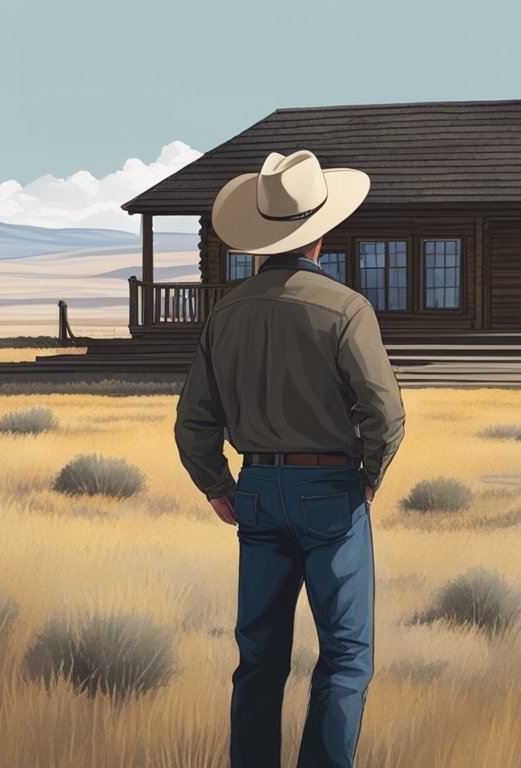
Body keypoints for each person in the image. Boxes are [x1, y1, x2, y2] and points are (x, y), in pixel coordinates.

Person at [174, 149, 406, 768]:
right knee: (347, 655)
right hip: (331, 488)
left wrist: (216, 485)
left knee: (259, 656)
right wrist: (368, 480)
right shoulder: (346, 309)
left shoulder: (226, 312)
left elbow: (194, 420)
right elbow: (384, 414)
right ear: (320, 234)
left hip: (254, 487)